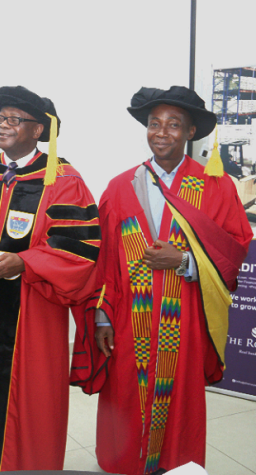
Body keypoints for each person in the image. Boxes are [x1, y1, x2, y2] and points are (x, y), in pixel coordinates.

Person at [71, 86, 253, 475]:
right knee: (125, 397)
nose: (162, 133)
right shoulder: (121, 186)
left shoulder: (215, 186)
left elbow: (234, 249)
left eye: (174, 125)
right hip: (126, 317)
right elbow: (104, 259)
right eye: (155, 124)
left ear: (190, 133)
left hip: (183, 321)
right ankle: (124, 465)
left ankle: (176, 467)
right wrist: (102, 317)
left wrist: (185, 260)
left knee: (180, 402)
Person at [0, 86, 100, 474]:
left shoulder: (63, 180)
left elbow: (78, 250)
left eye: (14, 119)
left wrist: (25, 263)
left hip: (35, 316)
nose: (2, 125)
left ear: (37, 130)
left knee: (31, 402)